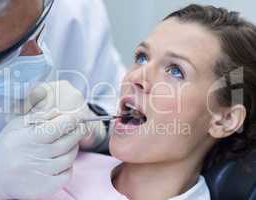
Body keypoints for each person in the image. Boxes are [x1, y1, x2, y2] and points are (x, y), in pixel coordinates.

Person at [35, 4, 256, 200]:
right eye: (142, 57)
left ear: (224, 120)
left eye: (176, 71)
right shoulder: (49, 167)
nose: (136, 77)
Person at [0, 0, 125, 199]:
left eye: (40, 23)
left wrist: (97, 122)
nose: (38, 54)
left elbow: (121, 107)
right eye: (5, 54)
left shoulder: (75, 9)